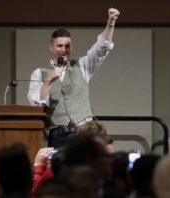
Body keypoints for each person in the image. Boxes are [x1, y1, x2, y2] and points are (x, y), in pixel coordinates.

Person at [27, 8, 120, 147]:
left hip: (85, 132)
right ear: (51, 47)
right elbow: (37, 107)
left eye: (67, 46)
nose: (63, 50)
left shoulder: (82, 66)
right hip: (58, 135)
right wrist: (49, 81)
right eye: (59, 46)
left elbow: (101, 48)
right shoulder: (39, 73)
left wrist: (111, 23)